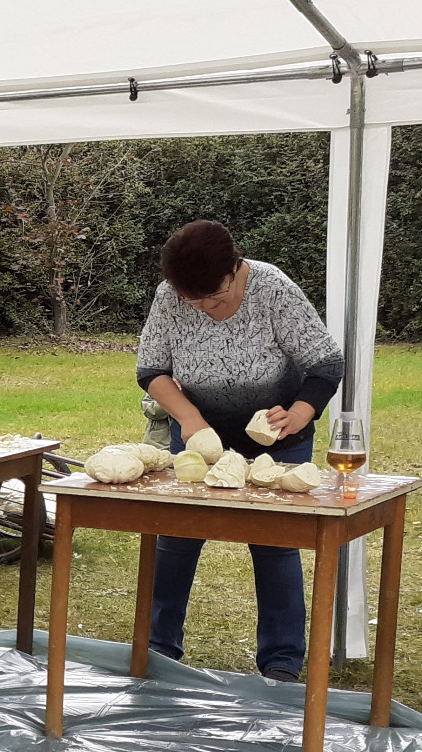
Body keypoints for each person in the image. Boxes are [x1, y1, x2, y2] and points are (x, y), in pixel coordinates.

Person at [136, 220, 343, 681]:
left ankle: (282, 662)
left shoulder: (272, 288)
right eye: (194, 301)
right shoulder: (169, 296)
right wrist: (189, 418)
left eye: (215, 297)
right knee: (176, 538)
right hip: (199, 434)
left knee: (275, 543)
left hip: (276, 435)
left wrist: (301, 413)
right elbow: (151, 369)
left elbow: (326, 362)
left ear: (235, 268)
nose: (206, 308)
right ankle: (157, 649)